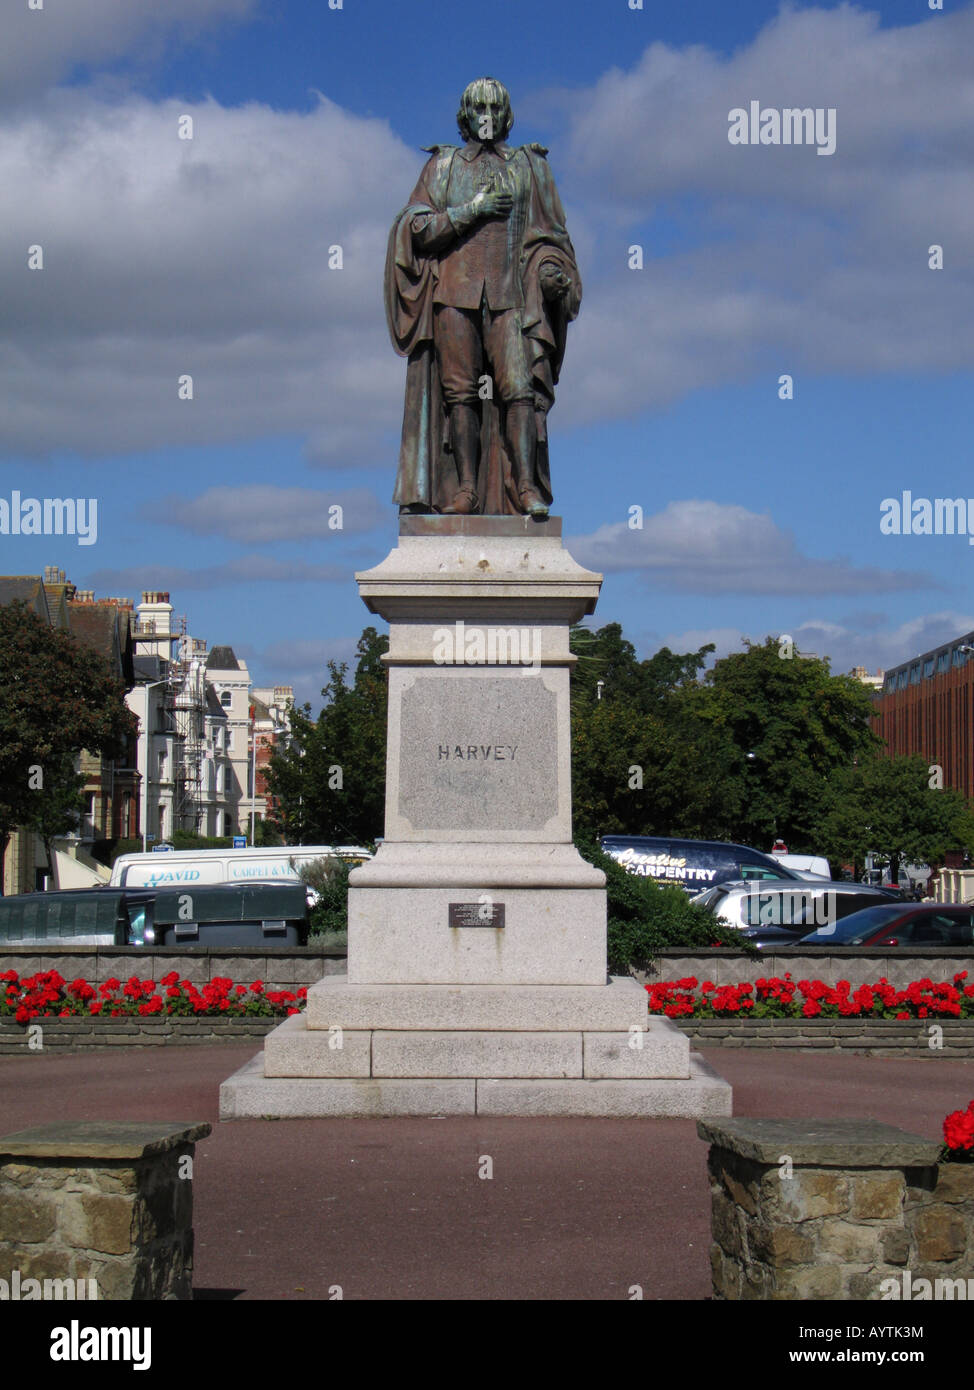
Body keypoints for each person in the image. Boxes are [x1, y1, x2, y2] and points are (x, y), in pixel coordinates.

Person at [385, 77, 582, 516]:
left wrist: (553, 274)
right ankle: (466, 489)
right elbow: (415, 229)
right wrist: (470, 211)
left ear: (506, 115)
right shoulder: (443, 167)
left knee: (519, 389)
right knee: (459, 394)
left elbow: (550, 237)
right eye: (479, 111)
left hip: (512, 297)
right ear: (466, 117)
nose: (487, 119)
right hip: (454, 297)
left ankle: (526, 487)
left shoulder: (529, 166)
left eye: (495, 111)